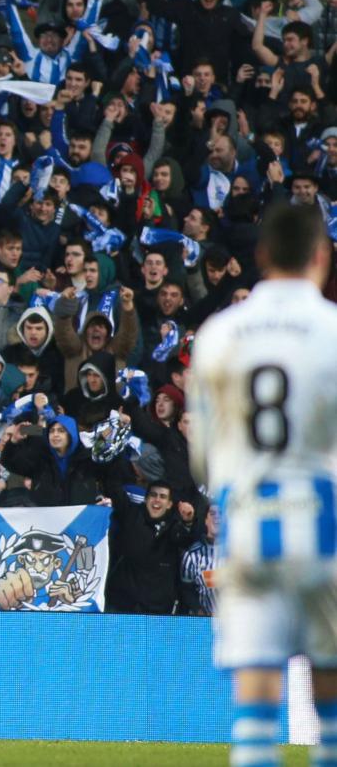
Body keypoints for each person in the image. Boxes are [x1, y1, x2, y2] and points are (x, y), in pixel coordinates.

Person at [189, 204, 337, 767]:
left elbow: (204, 459)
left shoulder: (218, 334)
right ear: (322, 256)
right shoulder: (332, 330)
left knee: (253, 716)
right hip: (325, 528)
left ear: (260, 256)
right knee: (331, 715)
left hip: (250, 529)